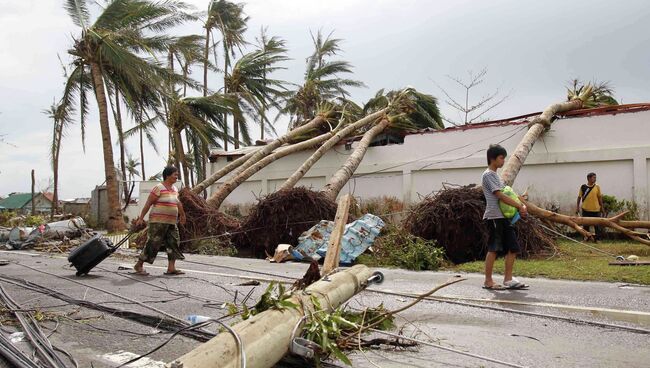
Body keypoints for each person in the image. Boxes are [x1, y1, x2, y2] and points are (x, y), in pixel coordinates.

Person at [482, 144, 529, 290]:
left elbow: (510, 194)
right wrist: (518, 206)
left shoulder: (496, 176)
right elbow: (500, 195)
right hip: (494, 217)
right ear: (492, 158)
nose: (503, 161)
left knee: (513, 247)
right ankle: (488, 281)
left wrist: (523, 206)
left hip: (504, 218)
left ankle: (508, 279)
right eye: (501, 158)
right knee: (494, 248)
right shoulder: (488, 175)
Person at [133, 166, 187, 276]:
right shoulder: (158, 188)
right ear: (167, 175)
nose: (177, 177)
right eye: (175, 175)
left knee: (174, 243)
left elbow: (178, 203)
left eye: (177, 175)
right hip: (158, 221)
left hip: (171, 222)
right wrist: (141, 218)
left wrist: (182, 215)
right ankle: (139, 265)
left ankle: (171, 268)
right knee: (153, 243)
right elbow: (148, 204)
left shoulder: (175, 189)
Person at [576, 172, 604, 239]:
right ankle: (586, 238)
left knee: (597, 226)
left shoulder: (597, 187)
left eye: (595, 178)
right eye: (594, 177)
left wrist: (602, 207)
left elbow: (599, 198)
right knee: (585, 226)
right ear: (589, 178)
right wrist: (577, 207)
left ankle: (597, 239)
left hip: (596, 210)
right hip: (586, 210)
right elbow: (579, 197)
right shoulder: (583, 187)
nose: (595, 179)